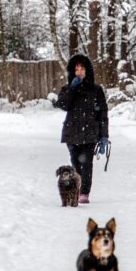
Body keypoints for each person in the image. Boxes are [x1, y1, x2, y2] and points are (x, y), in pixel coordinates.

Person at [52, 54, 109, 204]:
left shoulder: (96, 90)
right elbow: (63, 105)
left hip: (90, 132)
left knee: (87, 163)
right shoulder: (67, 88)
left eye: (82, 69)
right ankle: (75, 190)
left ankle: (84, 192)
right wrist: (72, 88)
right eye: (76, 69)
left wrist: (104, 136)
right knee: (75, 164)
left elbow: (103, 113)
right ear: (72, 71)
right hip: (72, 132)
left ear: (87, 70)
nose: (79, 72)